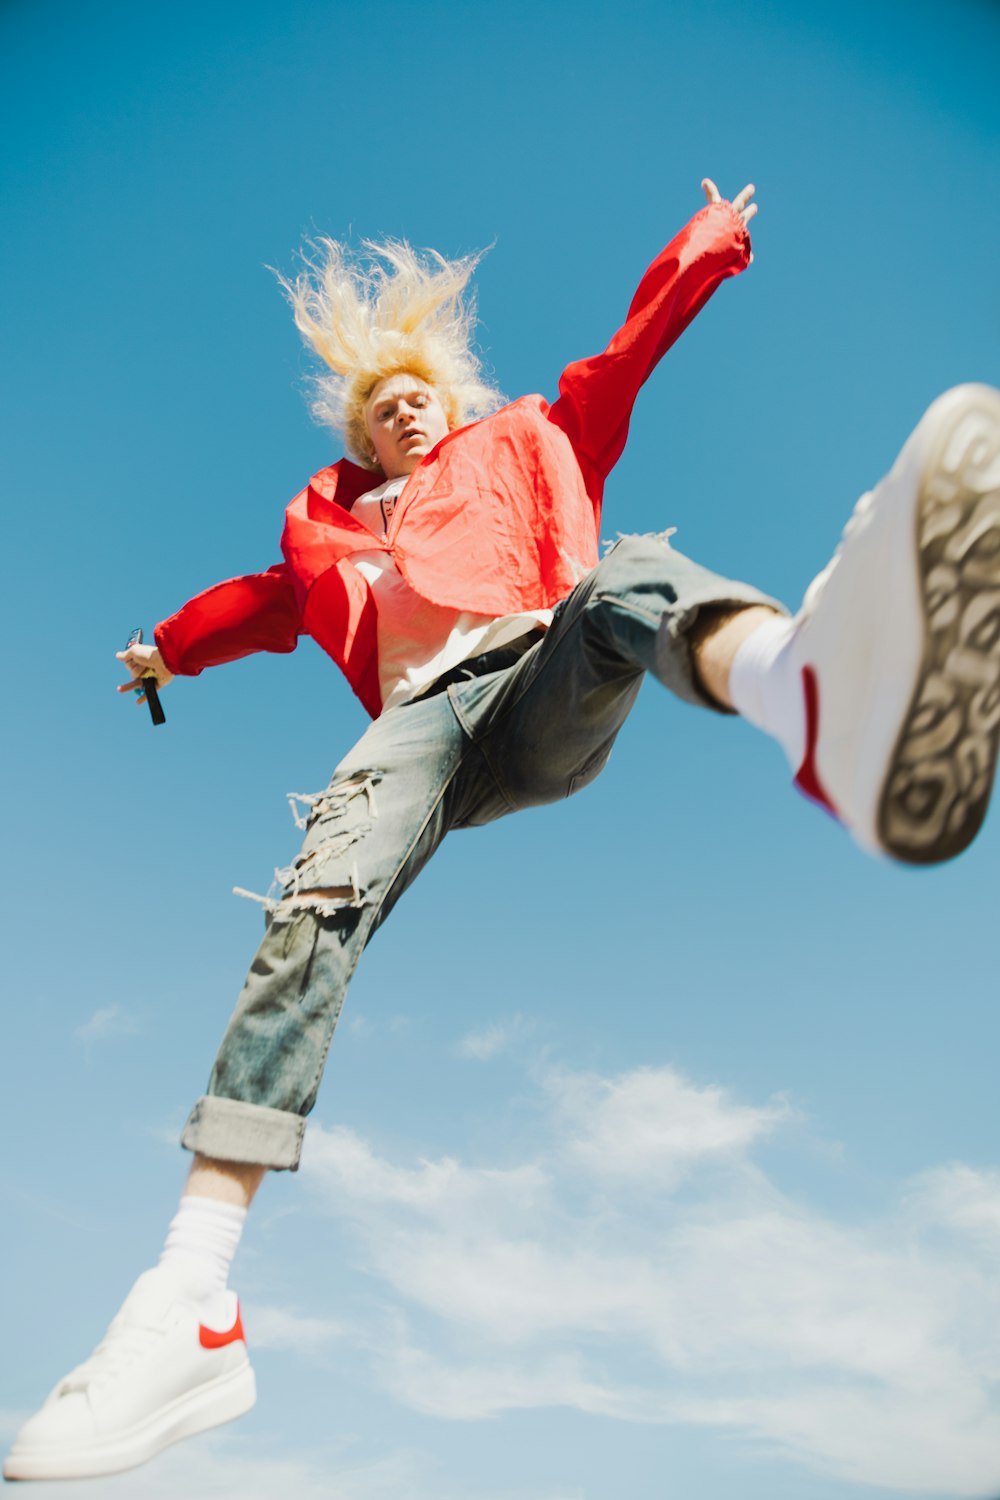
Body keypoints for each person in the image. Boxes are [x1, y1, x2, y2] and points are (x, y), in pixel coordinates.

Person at [6, 179, 1000, 1483]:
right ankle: (193, 1299)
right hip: (421, 727)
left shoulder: (533, 434)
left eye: (419, 392)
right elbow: (243, 610)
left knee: (628, 570)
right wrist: (163, 658)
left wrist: (707, 245)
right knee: (321, 894)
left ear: (450, 401)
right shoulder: (324, 540)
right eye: (380, 405)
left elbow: (627, 350)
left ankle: (807, 694)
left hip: (538, 674)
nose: (403, 408)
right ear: (363, 432)